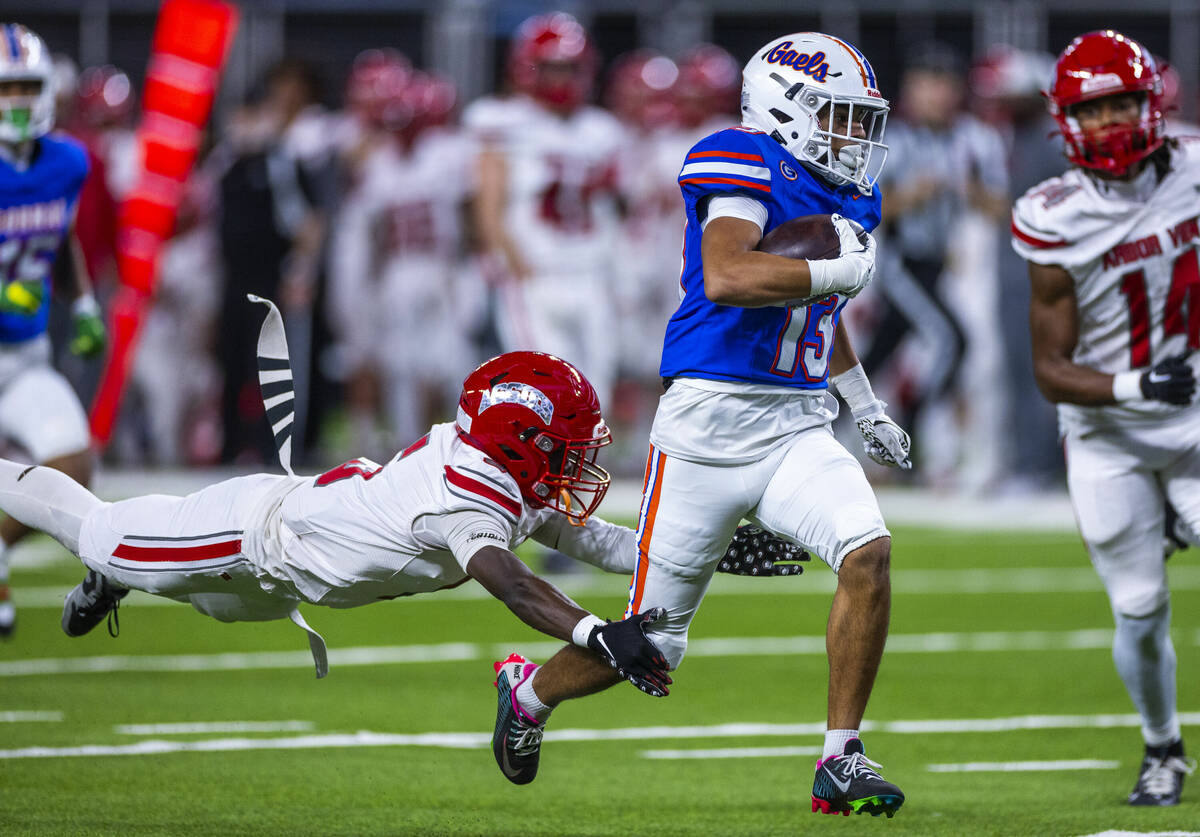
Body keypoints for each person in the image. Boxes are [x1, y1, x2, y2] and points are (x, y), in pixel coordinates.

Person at [489, 32, 910, 819]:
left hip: (798, 424)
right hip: (708, 427)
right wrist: (825, 270)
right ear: (786, 110)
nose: (857, 137)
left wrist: (863, 402)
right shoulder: (741, 158)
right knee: (652, 643)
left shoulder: (850, 193)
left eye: (862, 120)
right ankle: (529, 692)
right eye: (841, 117)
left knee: (868, 553)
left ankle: (840, 757)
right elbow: (728, 274)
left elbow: (823, 307)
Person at [0, 343, 800, 681]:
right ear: (520, 437)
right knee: (93, 528)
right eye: (566, 444)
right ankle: (105, 564)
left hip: (287, 585)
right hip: (252, 534)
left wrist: (714, 548)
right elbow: (515, 586)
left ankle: (115, 576)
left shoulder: (504, 473)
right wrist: (599, 634)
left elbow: (605, 542)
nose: (581, 463)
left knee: (198, 603)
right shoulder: (466, 495)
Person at [1013, 29, 1200, 807]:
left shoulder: (1193, 168)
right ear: (1066, 124)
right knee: (1139, 606)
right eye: (1095, 111)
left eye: (1124, 102)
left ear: (1154, 102)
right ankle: (1164, 747)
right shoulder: (1053, 215)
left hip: (1194, 418)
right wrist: (1135, 386)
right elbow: (1050, 371)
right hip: (1109, 429)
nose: (1113, 122)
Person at [0, 23, 106, 638]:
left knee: (70, 460)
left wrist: (85, 301)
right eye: (4, 86)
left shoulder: (67, 161)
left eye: (25, 85)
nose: (15, 98)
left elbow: (57, 235)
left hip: (21, 355)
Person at [464, 12, 625, 411]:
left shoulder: (602, 129)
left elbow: (616, 208)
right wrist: (513, 262)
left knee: (598, 379)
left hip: (591, 271)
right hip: (536, 272)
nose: (562, 79)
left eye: (570, 67)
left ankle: (586, 469)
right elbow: (489, 205)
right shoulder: (503, 121)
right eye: (553, 68)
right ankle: (545, 471)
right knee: (546, 384)